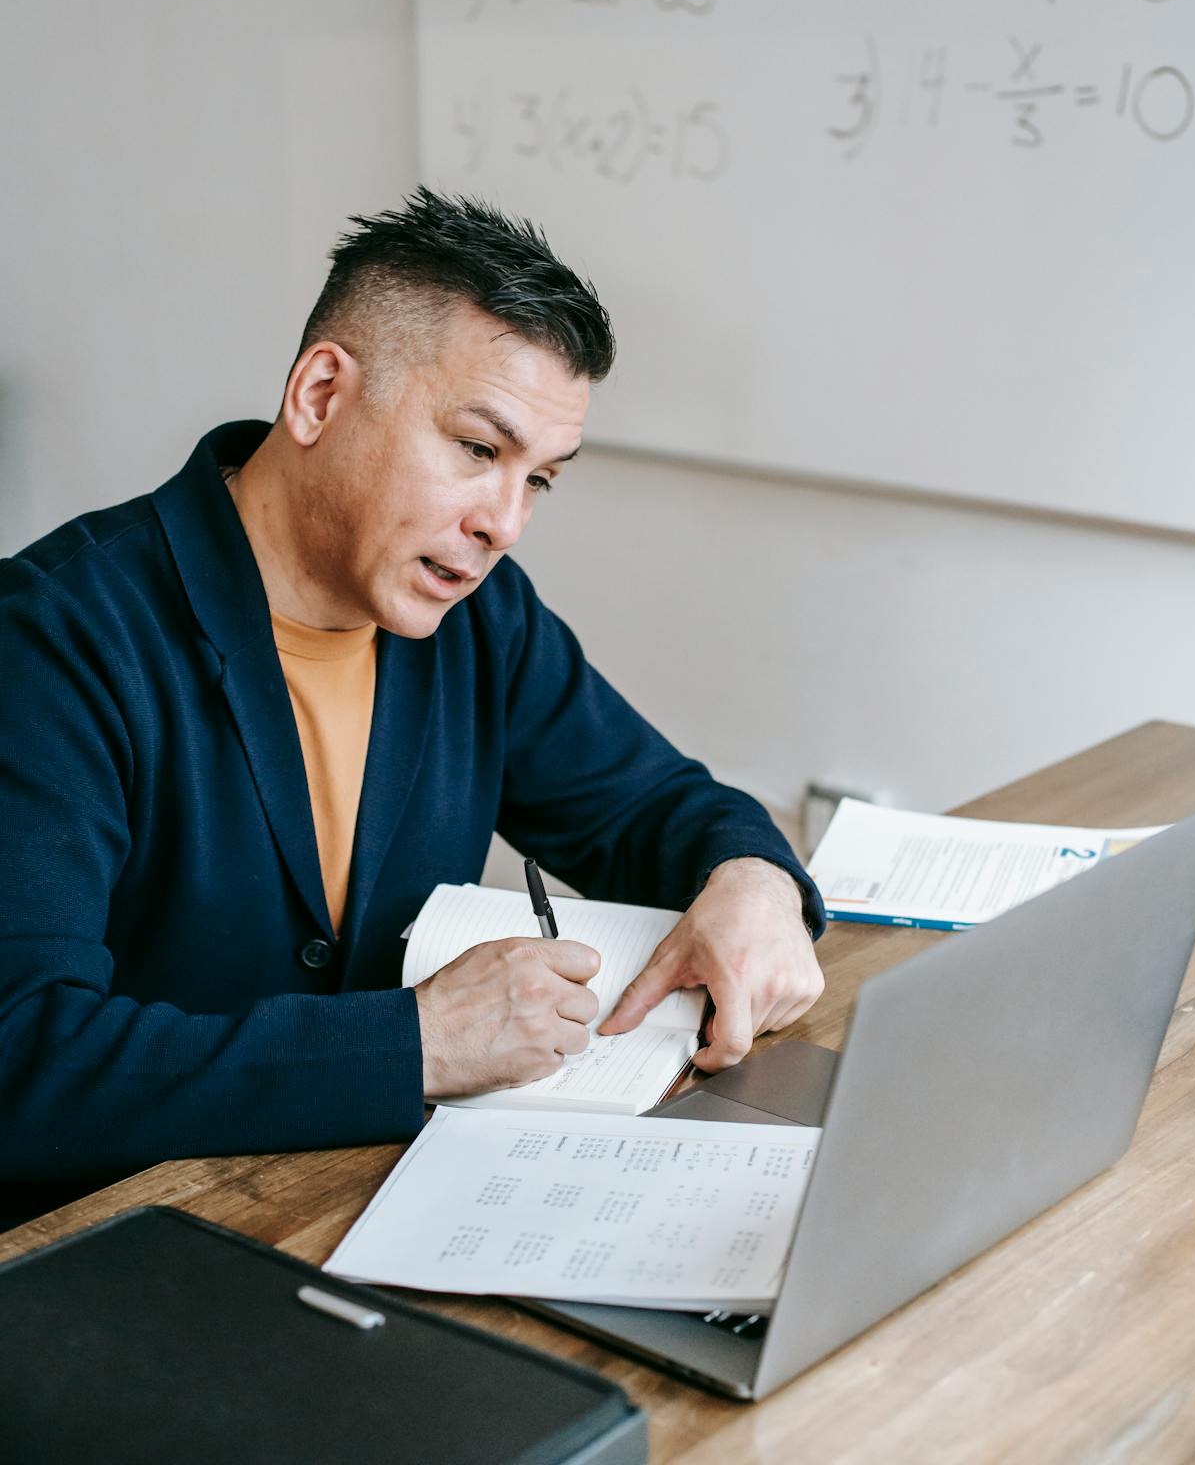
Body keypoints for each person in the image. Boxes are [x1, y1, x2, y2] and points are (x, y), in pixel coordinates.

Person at [0, 188, 824, 1223]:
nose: (504, 524)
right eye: (478, 450)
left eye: (540, 479)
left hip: (370, 1205)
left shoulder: (480, 618)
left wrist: (752, 879)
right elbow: (19, 1059)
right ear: (320, 396)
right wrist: (420, 1042)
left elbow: (649, 805)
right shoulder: (50, 640)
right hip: (108, 1244)